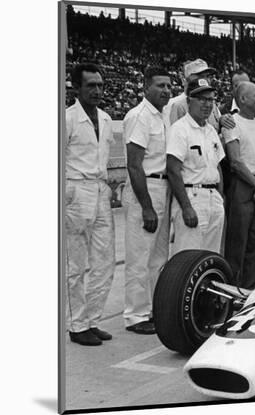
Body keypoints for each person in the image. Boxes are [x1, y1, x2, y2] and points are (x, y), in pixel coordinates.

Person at [65, 63, 115, 346]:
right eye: (90, 85)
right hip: (76, 189)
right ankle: (77, 324)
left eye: (100, 85)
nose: (97, 90)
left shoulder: (107, 119)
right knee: (76, 264)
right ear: (76, 87)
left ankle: (93, 319)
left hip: (99, 188)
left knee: (104, 261)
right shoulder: (67, 118)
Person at [122, 66, 172, 335]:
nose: (166, 90)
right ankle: (135, 314)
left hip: (162, 186)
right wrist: (147, 206)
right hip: (146, 188)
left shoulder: (162, 117)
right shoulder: (139, 116)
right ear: (145, 88)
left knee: (158, 257)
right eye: (160, 86)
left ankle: (151, 309)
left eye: (168, 86)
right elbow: (133, 165)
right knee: (139, 256)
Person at [166, 78, 226, 255]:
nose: (207, 104)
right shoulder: (180, 129)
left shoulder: (211, 130)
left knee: (210, 255)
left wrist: (220, 198)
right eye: (201, 99)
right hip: (192, 196)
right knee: (187, 256)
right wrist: (186, 207)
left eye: (210, 100)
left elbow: (218, 167)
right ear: (188, 101)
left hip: (212, 197)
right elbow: (173, 169)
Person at [223, 82, 255, 289]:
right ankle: (233, 289)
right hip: (243, 185)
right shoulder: (232, 123)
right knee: (238, 242)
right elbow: (235, 161)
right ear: (243, 99)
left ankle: (250, 287)